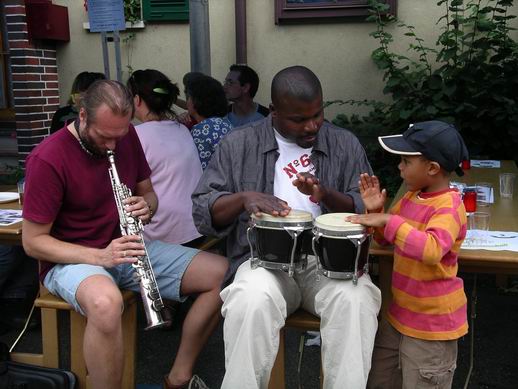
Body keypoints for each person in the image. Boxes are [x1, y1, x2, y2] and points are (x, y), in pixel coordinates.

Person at [22, 80, 228, 389]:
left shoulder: (126, 135)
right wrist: (100, 257)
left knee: (224, 274)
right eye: (104, 137)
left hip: (127, 248)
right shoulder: (48, 158)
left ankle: (178, 377)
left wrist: (147, 207)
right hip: (73, 258)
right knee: (106, 304)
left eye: (119, 136)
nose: (112, 147)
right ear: (82, 116)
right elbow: (33, 242)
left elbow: (149, 194)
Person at [192, 65, 382, 388]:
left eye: (317, 114)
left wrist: (325, 194)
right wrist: (244, 198)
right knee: (249, 299)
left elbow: (365, 206)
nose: (312, 125)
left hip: (328, 263)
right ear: (275, 112)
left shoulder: (343, 144)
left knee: (357, 299)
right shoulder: (238, 144)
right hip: (262, 261)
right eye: (299, 119)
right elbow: (203, 209)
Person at [346, 121, 469, 389]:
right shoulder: (412, 196)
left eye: (405, 161)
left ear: (432, 168)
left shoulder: (448, 207)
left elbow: (431, 249)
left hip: (431, 328)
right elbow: (387, 240)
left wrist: (388, 219)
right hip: (398, 316)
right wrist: (374, 214)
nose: (399, 167)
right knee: (379, 380)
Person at [128, 69, 203, 246]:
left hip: (164, 235)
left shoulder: (135, 135)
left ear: (137, 100)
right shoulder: (182, 129)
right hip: (196, 225)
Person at [186, 75, 233, 170]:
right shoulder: (225, 122)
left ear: (196, 101)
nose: (187, 102)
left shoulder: (200, 130)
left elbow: (200, 169)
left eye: (188, 97)